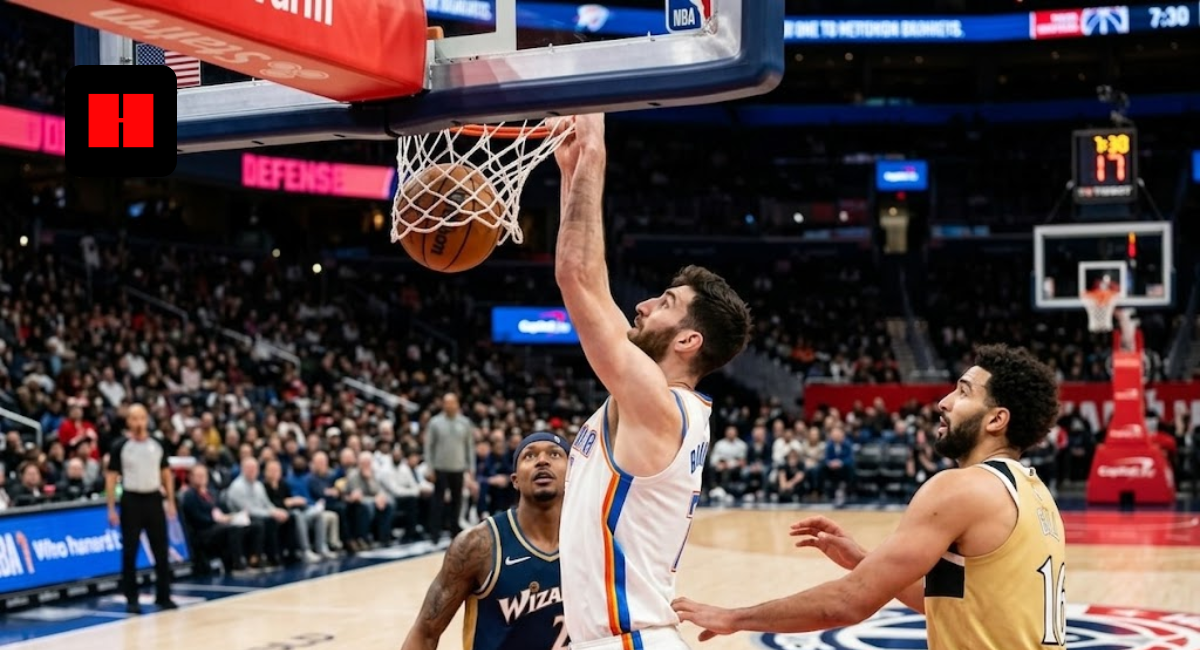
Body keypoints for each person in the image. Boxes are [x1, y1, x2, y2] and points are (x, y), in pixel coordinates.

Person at [672, 344, 1066, 650]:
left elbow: (850, 602)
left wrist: (734, 617)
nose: (943, 402)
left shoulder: (961, 487)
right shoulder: (1036, 496)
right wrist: (865, 561)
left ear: (996, 419)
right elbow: (951, 602)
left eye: (962, 392)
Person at [551, 113, 753, 650]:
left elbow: (576, 277)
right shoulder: (659, 403)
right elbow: (592, 283)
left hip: (627, 640)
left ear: (688, 341)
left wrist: (593, 152)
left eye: (664, 304)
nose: (640, 306)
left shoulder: (657, 406)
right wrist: (571, 173)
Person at [401, 432, 570, 650]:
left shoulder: (595, 541)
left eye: (554, 454)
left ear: (572, 473)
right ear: (515, 480)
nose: (542, 460)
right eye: (529, 456)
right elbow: (424, 633)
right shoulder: (476, 545)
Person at [105, 403, 178, 614]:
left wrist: (170, 501)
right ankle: (132, 598)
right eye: (134, 419)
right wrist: (111, 508)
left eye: (142, 418)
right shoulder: (120, 446)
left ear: (147, 420)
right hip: (131, 500)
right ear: (128, 421)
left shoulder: (157, 444)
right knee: (130, 552)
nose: (138, 423)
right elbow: (111, 478)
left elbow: (166, 474)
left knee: (161, 550)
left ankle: (163, 596)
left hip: (154, 499)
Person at [426, 393, 476, 541]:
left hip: (458, 467)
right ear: (443, 404)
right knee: (438, 502)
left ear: (457, 404)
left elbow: (469, 447)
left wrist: (471, 468)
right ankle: (434, 533)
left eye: (452, 402)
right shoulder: (435, 423)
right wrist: (430, 468)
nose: (449, 405)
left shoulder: (465, 423)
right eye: (446, 402)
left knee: (457, 501)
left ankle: (455, 532)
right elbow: (429, 447)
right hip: (440, 467)